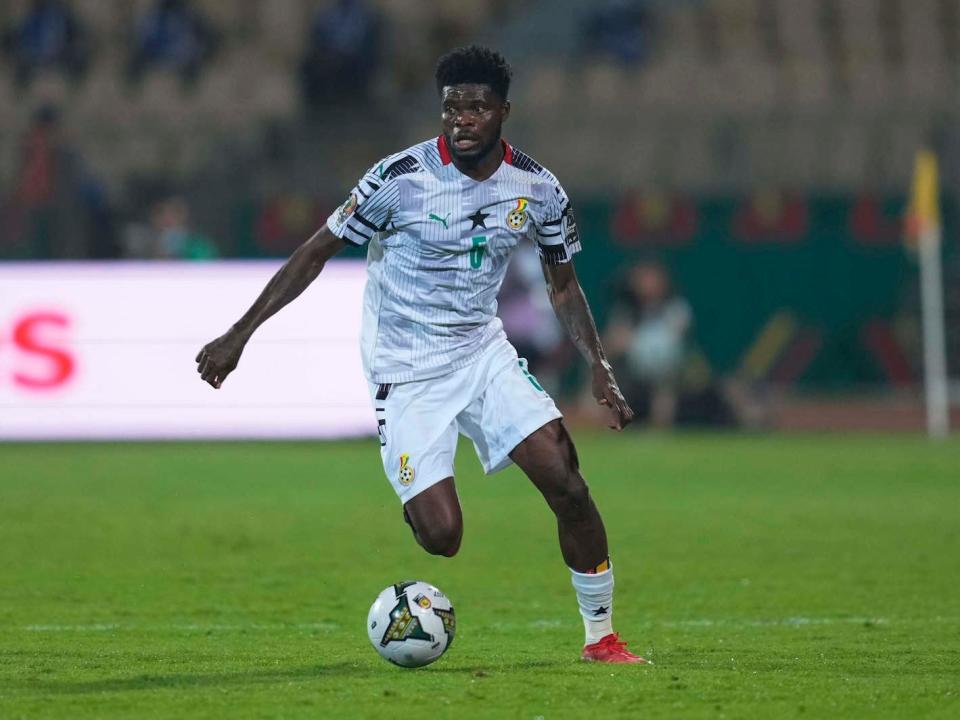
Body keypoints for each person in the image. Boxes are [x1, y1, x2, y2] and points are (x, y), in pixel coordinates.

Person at [195, 46, 647, 664]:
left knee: (567, 484)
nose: (462, 119)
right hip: (405, 370)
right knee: (442, 539)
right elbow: (313, 253)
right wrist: (239, 334)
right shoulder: (398, 179)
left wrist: (598, 363)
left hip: (481, 352)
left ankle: (601, 637)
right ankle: (415, 489)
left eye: (477, 107)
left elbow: (562, 283)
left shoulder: (539, 189)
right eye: (452, 107)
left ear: (503, 112)